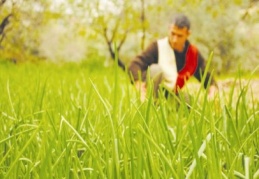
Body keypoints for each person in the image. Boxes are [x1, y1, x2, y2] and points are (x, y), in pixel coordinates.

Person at [128, 14, 218, 102]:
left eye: (179, 36)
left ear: (188, 34)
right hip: (152, 90)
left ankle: (167, 107)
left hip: (171, 92)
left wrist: (212, 90)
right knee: (156, 70)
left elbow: (206, 76)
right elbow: (135, 64)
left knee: (189, 102)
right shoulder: (157, 46)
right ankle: (150, 105)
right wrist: (138, 84)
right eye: (173, 34)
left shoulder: (192, 54)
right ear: (169, 30)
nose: (175, 39)